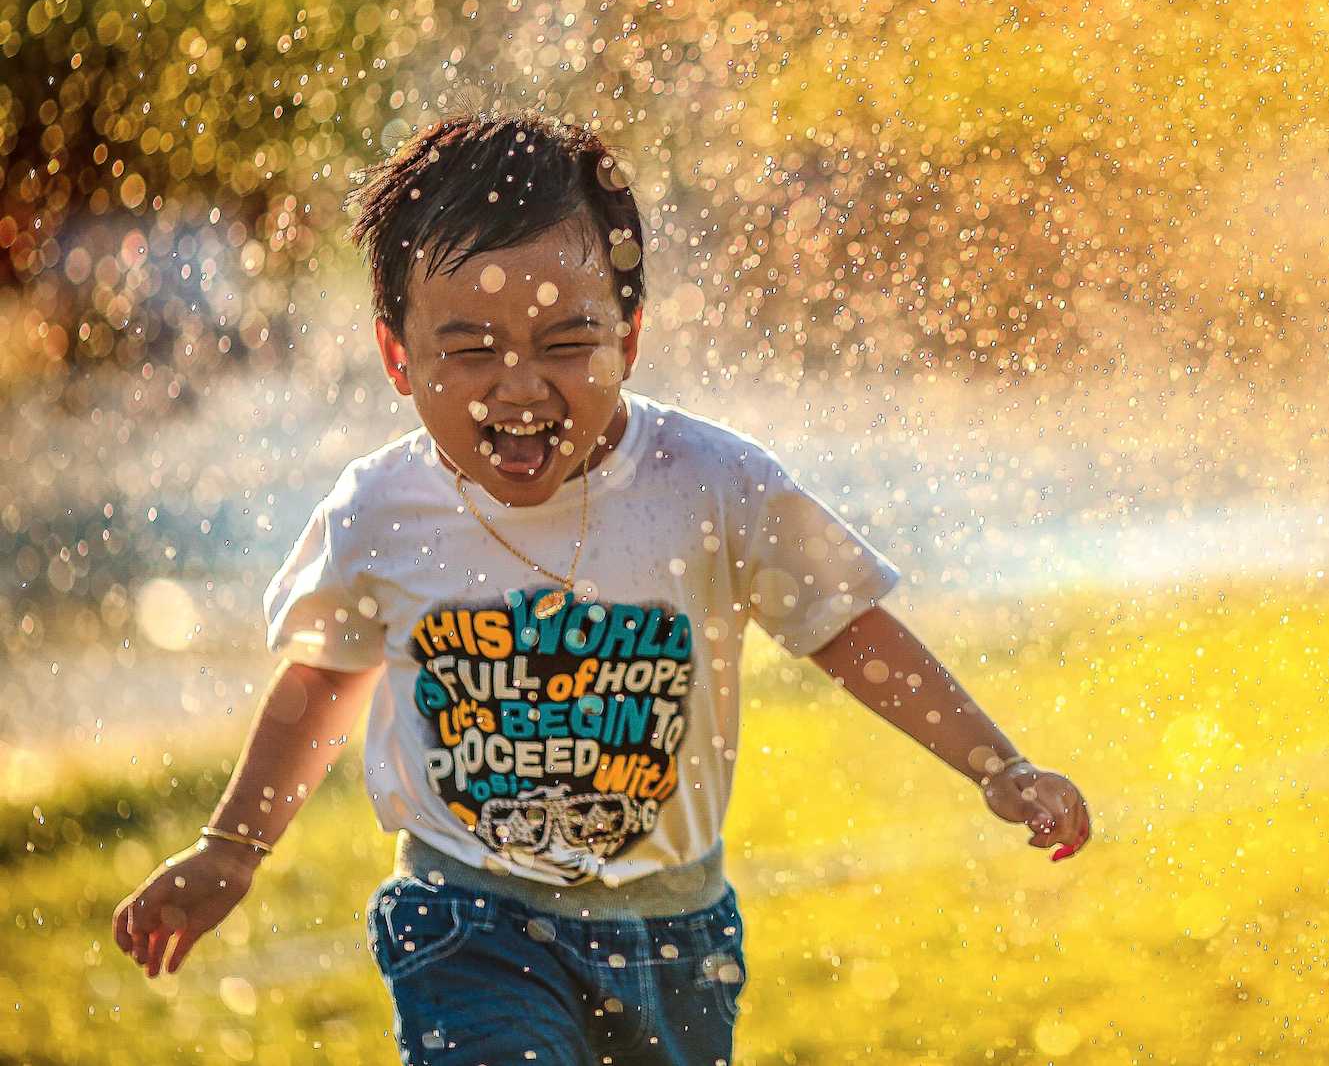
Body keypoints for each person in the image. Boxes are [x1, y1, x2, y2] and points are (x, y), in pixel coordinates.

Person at [111, 112, 1093, 1064]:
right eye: (471, 349)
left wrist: (995, 763)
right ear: (398, 357)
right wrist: (233, 843)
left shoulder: (711, 483)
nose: (520, 385)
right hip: (467, 915)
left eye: (565, 342)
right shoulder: (383, 510)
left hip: (674, 934)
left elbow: (848, 627)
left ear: (630, 335)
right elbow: (323, 680)